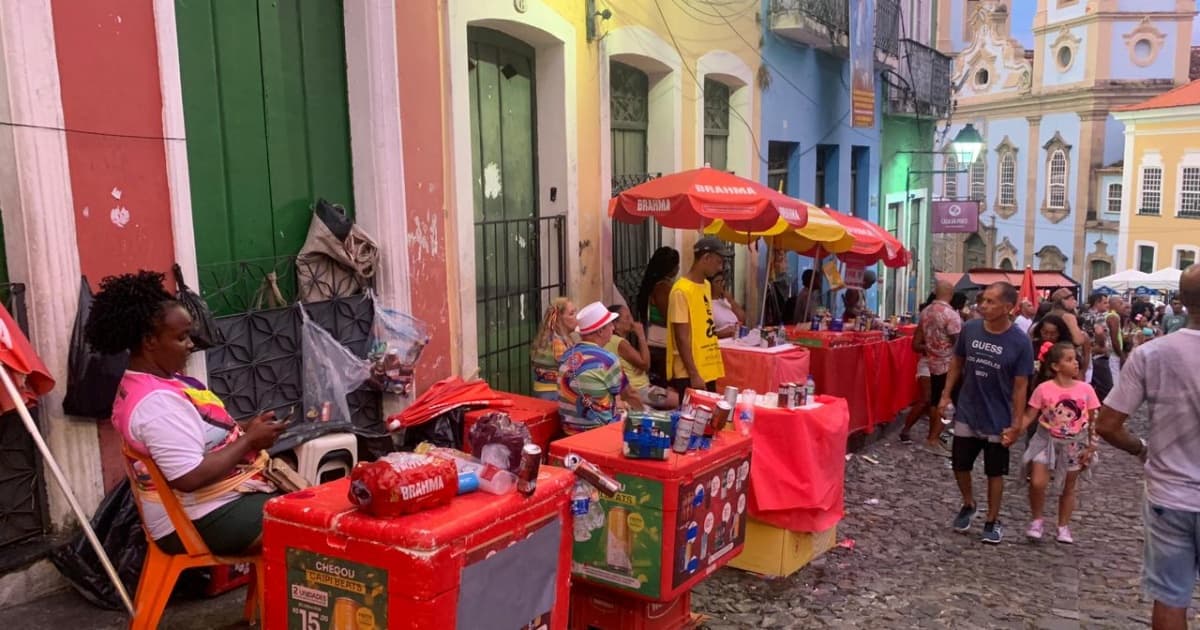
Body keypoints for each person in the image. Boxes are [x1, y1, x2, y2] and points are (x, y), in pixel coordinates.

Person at [84, 271, 284, 556]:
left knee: (315, 507)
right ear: (149, 341)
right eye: (181, 338)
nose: (191, 344)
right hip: (196, 519)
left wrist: (243, 428)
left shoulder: (150, 381)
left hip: (210, 504)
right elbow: (188, 477)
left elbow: (190, 430)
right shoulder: (155, 405)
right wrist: (249, 441)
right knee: (315, 527)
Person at [1096, 264, 1200, 630]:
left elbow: (1107, 425)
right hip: (1172, 493)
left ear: (1182, 302)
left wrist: (1142, 449)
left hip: (1170, 494)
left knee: (1171, 599)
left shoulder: (1151, 354)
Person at [938, 282, 1034, 544]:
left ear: (1007, 307)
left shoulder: (1020, 342)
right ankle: (969, 503)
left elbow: (1020, 385)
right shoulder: (970, 329)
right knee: (960, 464)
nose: (983, 305)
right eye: (983, 300)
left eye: (991, 302)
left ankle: (992, 520)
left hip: (998, 415)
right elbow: (957, 362)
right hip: (969, 409)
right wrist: (946, 394)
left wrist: (1016, 423)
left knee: (994, 471)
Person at [1010, 342, 1100, 544]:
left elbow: (1094, 419)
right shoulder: (1043, 389)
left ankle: (1063, 525)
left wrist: (1092, 445)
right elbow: (1030, 415)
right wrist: (1015, 431)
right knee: (1037, 482)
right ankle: (1037, 519)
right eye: (1069, 360)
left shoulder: (1086, 389)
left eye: (1076, 359)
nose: (1075, 363)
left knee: (1068, 487)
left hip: (1074, 444)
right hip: (1046, 441)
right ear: (1055, 366)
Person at [558, 302, 641, 434]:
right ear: (601, 331)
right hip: (600, 432)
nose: (613, 328)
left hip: (569, 431)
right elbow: (629, 394)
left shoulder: (566, 356)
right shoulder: (608, 360)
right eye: (610, 325)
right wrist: (644, 416)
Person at [667, 236, 727, 398]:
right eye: (718, 262)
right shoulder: (681, 291)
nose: (720, 267)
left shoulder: (706, 286)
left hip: (707, 367)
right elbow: (681, 337)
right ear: (706, 258)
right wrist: (693, 373)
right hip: (688, 372)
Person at [910, 280, 960, 454]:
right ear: (951, 294)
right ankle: (933, 438)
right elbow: (958, 342)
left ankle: (933, 437)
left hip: (932, 361)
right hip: (948, 363)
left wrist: (932, 348)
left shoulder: (925, 312)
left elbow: (916, 342)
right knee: (944, 401)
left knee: (935, 400)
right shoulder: (951, 315)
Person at [606, 305, 679, 410]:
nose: (632, 321)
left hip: (638, 388)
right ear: (615, 324)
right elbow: (645, 364)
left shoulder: (614, 340)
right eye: (627, 318)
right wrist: (641, 335)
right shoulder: (619, 342)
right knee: (678, 400)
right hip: (639, 389)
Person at [900, 293, 936, 444]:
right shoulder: (925, 321)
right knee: (925, 398)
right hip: (927, 363)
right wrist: (933, 348)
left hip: (944, 365)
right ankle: (905, 430)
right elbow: (915, 345)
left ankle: (933, 437)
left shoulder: (952, 321)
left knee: (936, 401)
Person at [530, 297, 579, 401]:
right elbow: (572, 372)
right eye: (571, 314)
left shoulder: (549, 338)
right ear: (559, 319)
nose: (577, 317)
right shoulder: (558, 343)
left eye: (575, 312)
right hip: (554, 394)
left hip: (542, 391)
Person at [1079, 292, 1111, 395]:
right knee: (1106, 389)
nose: (1108, 305)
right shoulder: (1099, 316)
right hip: (1098, 356)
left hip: (1086, 355)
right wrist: (1102, 345)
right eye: (1105, 303)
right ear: (1097, 303)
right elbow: (1099, 331)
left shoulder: (1082, 315)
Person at [763, 249, 796, 326]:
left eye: (785, 261)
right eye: (781, 261)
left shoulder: (785, 281)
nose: (786, 265)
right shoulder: (772, 285)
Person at [709, 271, 746, 339]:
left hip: (737, 338)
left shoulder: (726, 301)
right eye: (717, 281)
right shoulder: (708, 304)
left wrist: (731, 300)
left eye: (722, 281)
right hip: (722, 341)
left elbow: (742, 318)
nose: (721, 284)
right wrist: (722, 333)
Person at [1105, 297, 1129, 388]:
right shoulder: (1113, 317)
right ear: (1112, 305)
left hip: (1113, 353)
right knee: (1115, 381)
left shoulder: (1111, 315)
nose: (1123, 306)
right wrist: (1121, 354)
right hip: (1114, 354)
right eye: (1120, 304)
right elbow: (1114, 339)